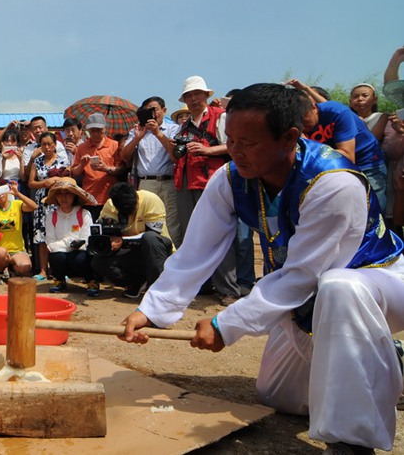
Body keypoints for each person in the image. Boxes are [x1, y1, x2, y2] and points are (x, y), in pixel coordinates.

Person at [123, 83, 404, 454]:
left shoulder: (333, 181)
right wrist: (152, 311)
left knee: (339, 286)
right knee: (279, 397)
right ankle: (371, 362)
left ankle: (352, 438)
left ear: (289, 138)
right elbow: (195, 252)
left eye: (249, 143)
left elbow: (302, 276)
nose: (236, 152)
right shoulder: (230, 178)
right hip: (306, 301)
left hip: (378, 285)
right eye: (232, 140)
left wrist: (227, 325)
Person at [171, 75, 240, 304]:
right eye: (189, 95)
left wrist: (208, 150)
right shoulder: (184, 125)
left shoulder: (221, 117)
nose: (193, 99)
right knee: (194, 237)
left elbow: (234, 145)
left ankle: (228, 288)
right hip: (186, 183)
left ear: (206, 95)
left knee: (218, 233)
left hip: (211, 182)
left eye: (197, 94)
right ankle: (201, 284)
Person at [295, 88, 388, 210]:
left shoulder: (337, 112)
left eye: (304, 118)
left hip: (367, 165)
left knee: (372, 211)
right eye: (296, 121)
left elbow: (347, 155)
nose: (301, 125)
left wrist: (308, 150)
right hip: (334, 169)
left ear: (313, 107)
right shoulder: (295, 126)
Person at [90, 182, 173, 299]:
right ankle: (135, 281)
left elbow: (154, 233)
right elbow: (101, 233)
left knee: (150, 238)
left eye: (131, 208)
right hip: (131, 253)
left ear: (136, 198)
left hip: (158, 252)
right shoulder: (110, 206)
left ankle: (159, 290)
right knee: (98, 261)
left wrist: (123, 241)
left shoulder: (151, 200)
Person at [120, 96, 181, 244]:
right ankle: (153, 256)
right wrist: (137, 138)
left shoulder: (174, 128)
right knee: (147, 220)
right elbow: (124, 156)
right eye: (147, 111)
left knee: (171, 221)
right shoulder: (137, 131)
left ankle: (173, 259)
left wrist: (158, 133)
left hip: (169, 182)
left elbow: (175, 156)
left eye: (154, 110)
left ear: (164, 110)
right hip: (146, 183)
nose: (152, 114)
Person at [42, 178, 99, 297]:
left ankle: (91, 281)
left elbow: (86, 240)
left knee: (79, 259)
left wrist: (68, 245)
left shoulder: (84, 214)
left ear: (75, 196)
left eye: (67, 193)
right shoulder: (51, 215)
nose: (63, 198)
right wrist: (69, 243)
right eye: (60, 194)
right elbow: (50, 242)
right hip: (61, 252)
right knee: (57, 257)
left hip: (79, 253)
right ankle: (59, 280)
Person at [28, 131, 71, 278]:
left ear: (55, 145)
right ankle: (43, 270)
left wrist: (57, 181)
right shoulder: (36, 162)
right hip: (41, 202)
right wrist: (44, 183)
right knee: (41, 237)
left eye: (49, 144)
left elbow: (69, 182)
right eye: (43, 144)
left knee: (59, 234)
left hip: (58, 201)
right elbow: (31, 183)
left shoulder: (63, 162)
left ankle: (60, 270)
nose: (46, 147)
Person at [0, 181, 38, 282]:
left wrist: (18, 194)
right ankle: (0, 271)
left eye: (2, 191)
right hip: (0, 250)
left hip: (17, 249)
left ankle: (11, 269)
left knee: (25, 268)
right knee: (0, 253)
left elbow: (34, 207)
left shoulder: (17, 204)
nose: (0, 195)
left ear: (7, 191)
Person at [71, 113, 122, 220]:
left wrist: (106, 168)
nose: (95, 133)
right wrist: (82, 165)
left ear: (104, 129)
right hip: (89, 198)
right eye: (92, 130)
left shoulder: (114, 145)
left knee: (108, 231)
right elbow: (75, 171)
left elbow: (121, 169)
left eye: (99, 130)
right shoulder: (81, 147)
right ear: (88, 131)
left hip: (110, 198)